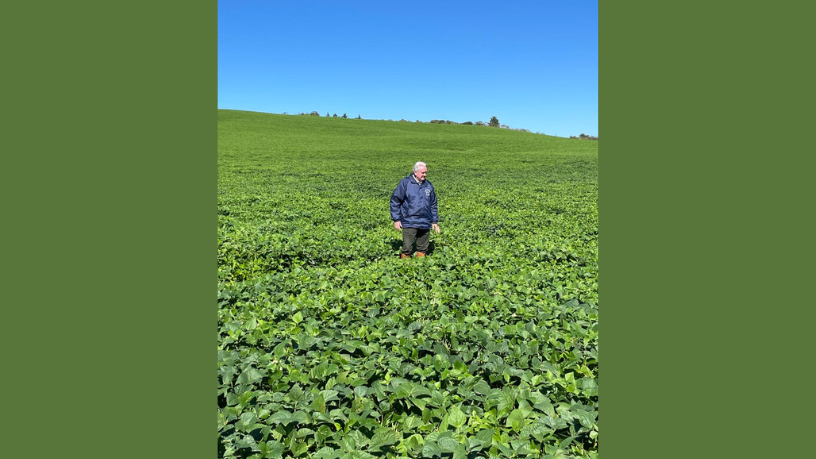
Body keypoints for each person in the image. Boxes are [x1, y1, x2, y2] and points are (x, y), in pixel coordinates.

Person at [390, 161, 440, 258]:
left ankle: (419, 267)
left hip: (425, 221)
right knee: (407, 248)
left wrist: (434, 221)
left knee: (423, 248)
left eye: (426, 173)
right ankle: (404, 268)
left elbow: (433, 204)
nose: (425, 175)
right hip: (409, 220)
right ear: (415, 172)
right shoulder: (405, 183)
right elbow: (395, 201)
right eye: (423, 173)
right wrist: (396, 219)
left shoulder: (428, 185)